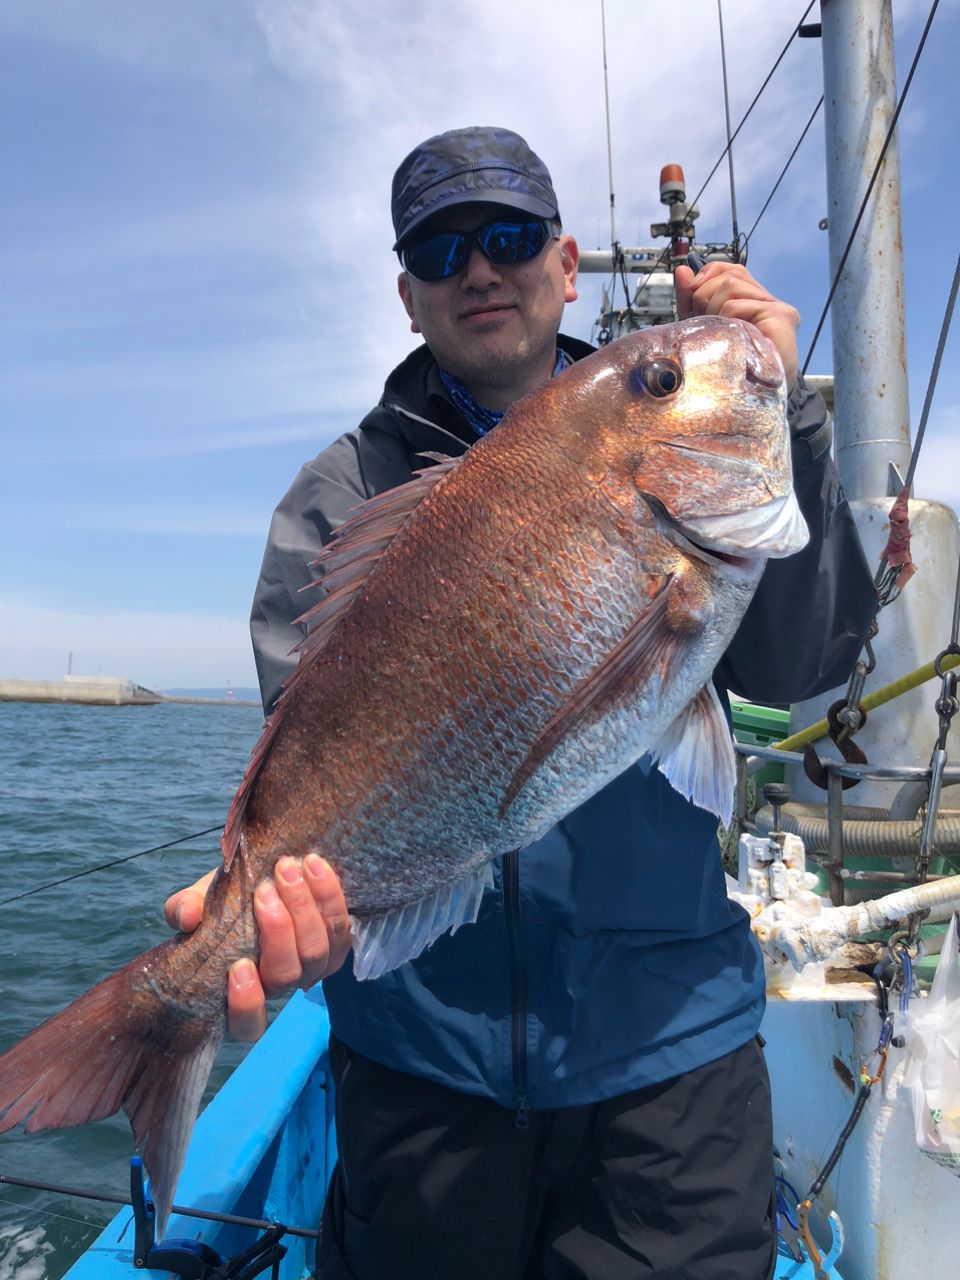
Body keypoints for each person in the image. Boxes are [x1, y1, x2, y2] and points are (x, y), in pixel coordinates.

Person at [167, 126, 876, 1278]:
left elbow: (801, 667)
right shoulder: (339, 495)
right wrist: (281, 897)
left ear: (565, 259)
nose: (479, 269)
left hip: (668, 1058)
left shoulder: (690, 450)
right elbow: (317, 758)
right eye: (442, 251)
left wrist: (778, 413)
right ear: (408, 294)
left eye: (507, 237)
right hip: (420, 1071)